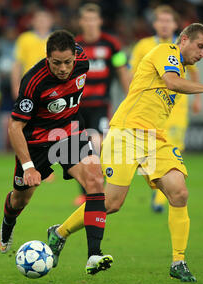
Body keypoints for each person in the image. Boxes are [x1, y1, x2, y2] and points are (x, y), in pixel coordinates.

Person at [47, 23, 203, 282]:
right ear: (184, 39)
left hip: (155, 138)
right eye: (200, 46)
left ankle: (178, 261)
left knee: (179, 192)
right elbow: (171, 82)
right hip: (127, 133)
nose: (202, 53)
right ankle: (60, 233)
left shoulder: (182, 67)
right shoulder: (167, 51)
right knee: (111, 203)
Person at [0, 30, 113, 275]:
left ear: (75, 56)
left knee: (94, 180)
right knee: (21, 199)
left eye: (67, 62)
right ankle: (8, 223)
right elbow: (15, 127)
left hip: (70, 132)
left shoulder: (83, 61)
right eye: (56, 62)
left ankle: (94, 254)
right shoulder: (33, 82)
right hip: (37, 142)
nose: (63, 68)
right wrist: (28, 167)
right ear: (47, 57)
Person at [130, 5, 202, 213]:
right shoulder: (143, 46)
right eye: (160, 20)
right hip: (150, 108)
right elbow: (132, 72)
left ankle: (160, 198)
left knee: (175, 148)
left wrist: (198, 99)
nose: (164, 24)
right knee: (147, 151)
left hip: (176, 108)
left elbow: (194, 73)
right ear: (154, 24)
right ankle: (158, 186)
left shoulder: (182, 47)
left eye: (168, 21)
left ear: (175, 25)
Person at [73, 3, 131, 206]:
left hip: (100, 105)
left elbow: (123, 70)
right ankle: (86, 193)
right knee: (79, 150)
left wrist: (131, 97)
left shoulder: (112, 45)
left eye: (93, 19)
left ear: (99, 21)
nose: (89, 23)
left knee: (95, 143)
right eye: (86, 19)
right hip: (77, 106)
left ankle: (98, 188)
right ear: (81, 22)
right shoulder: (74, 45)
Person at [11, 9, 54, 100]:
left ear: (51, 21)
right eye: (38, 19)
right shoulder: (24, 38)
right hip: (28, 87)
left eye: (44, 19)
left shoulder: (56, 39)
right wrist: (15, 86)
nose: (41, 22)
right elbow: (17, 64)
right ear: (33, 22)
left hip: (52, 87)